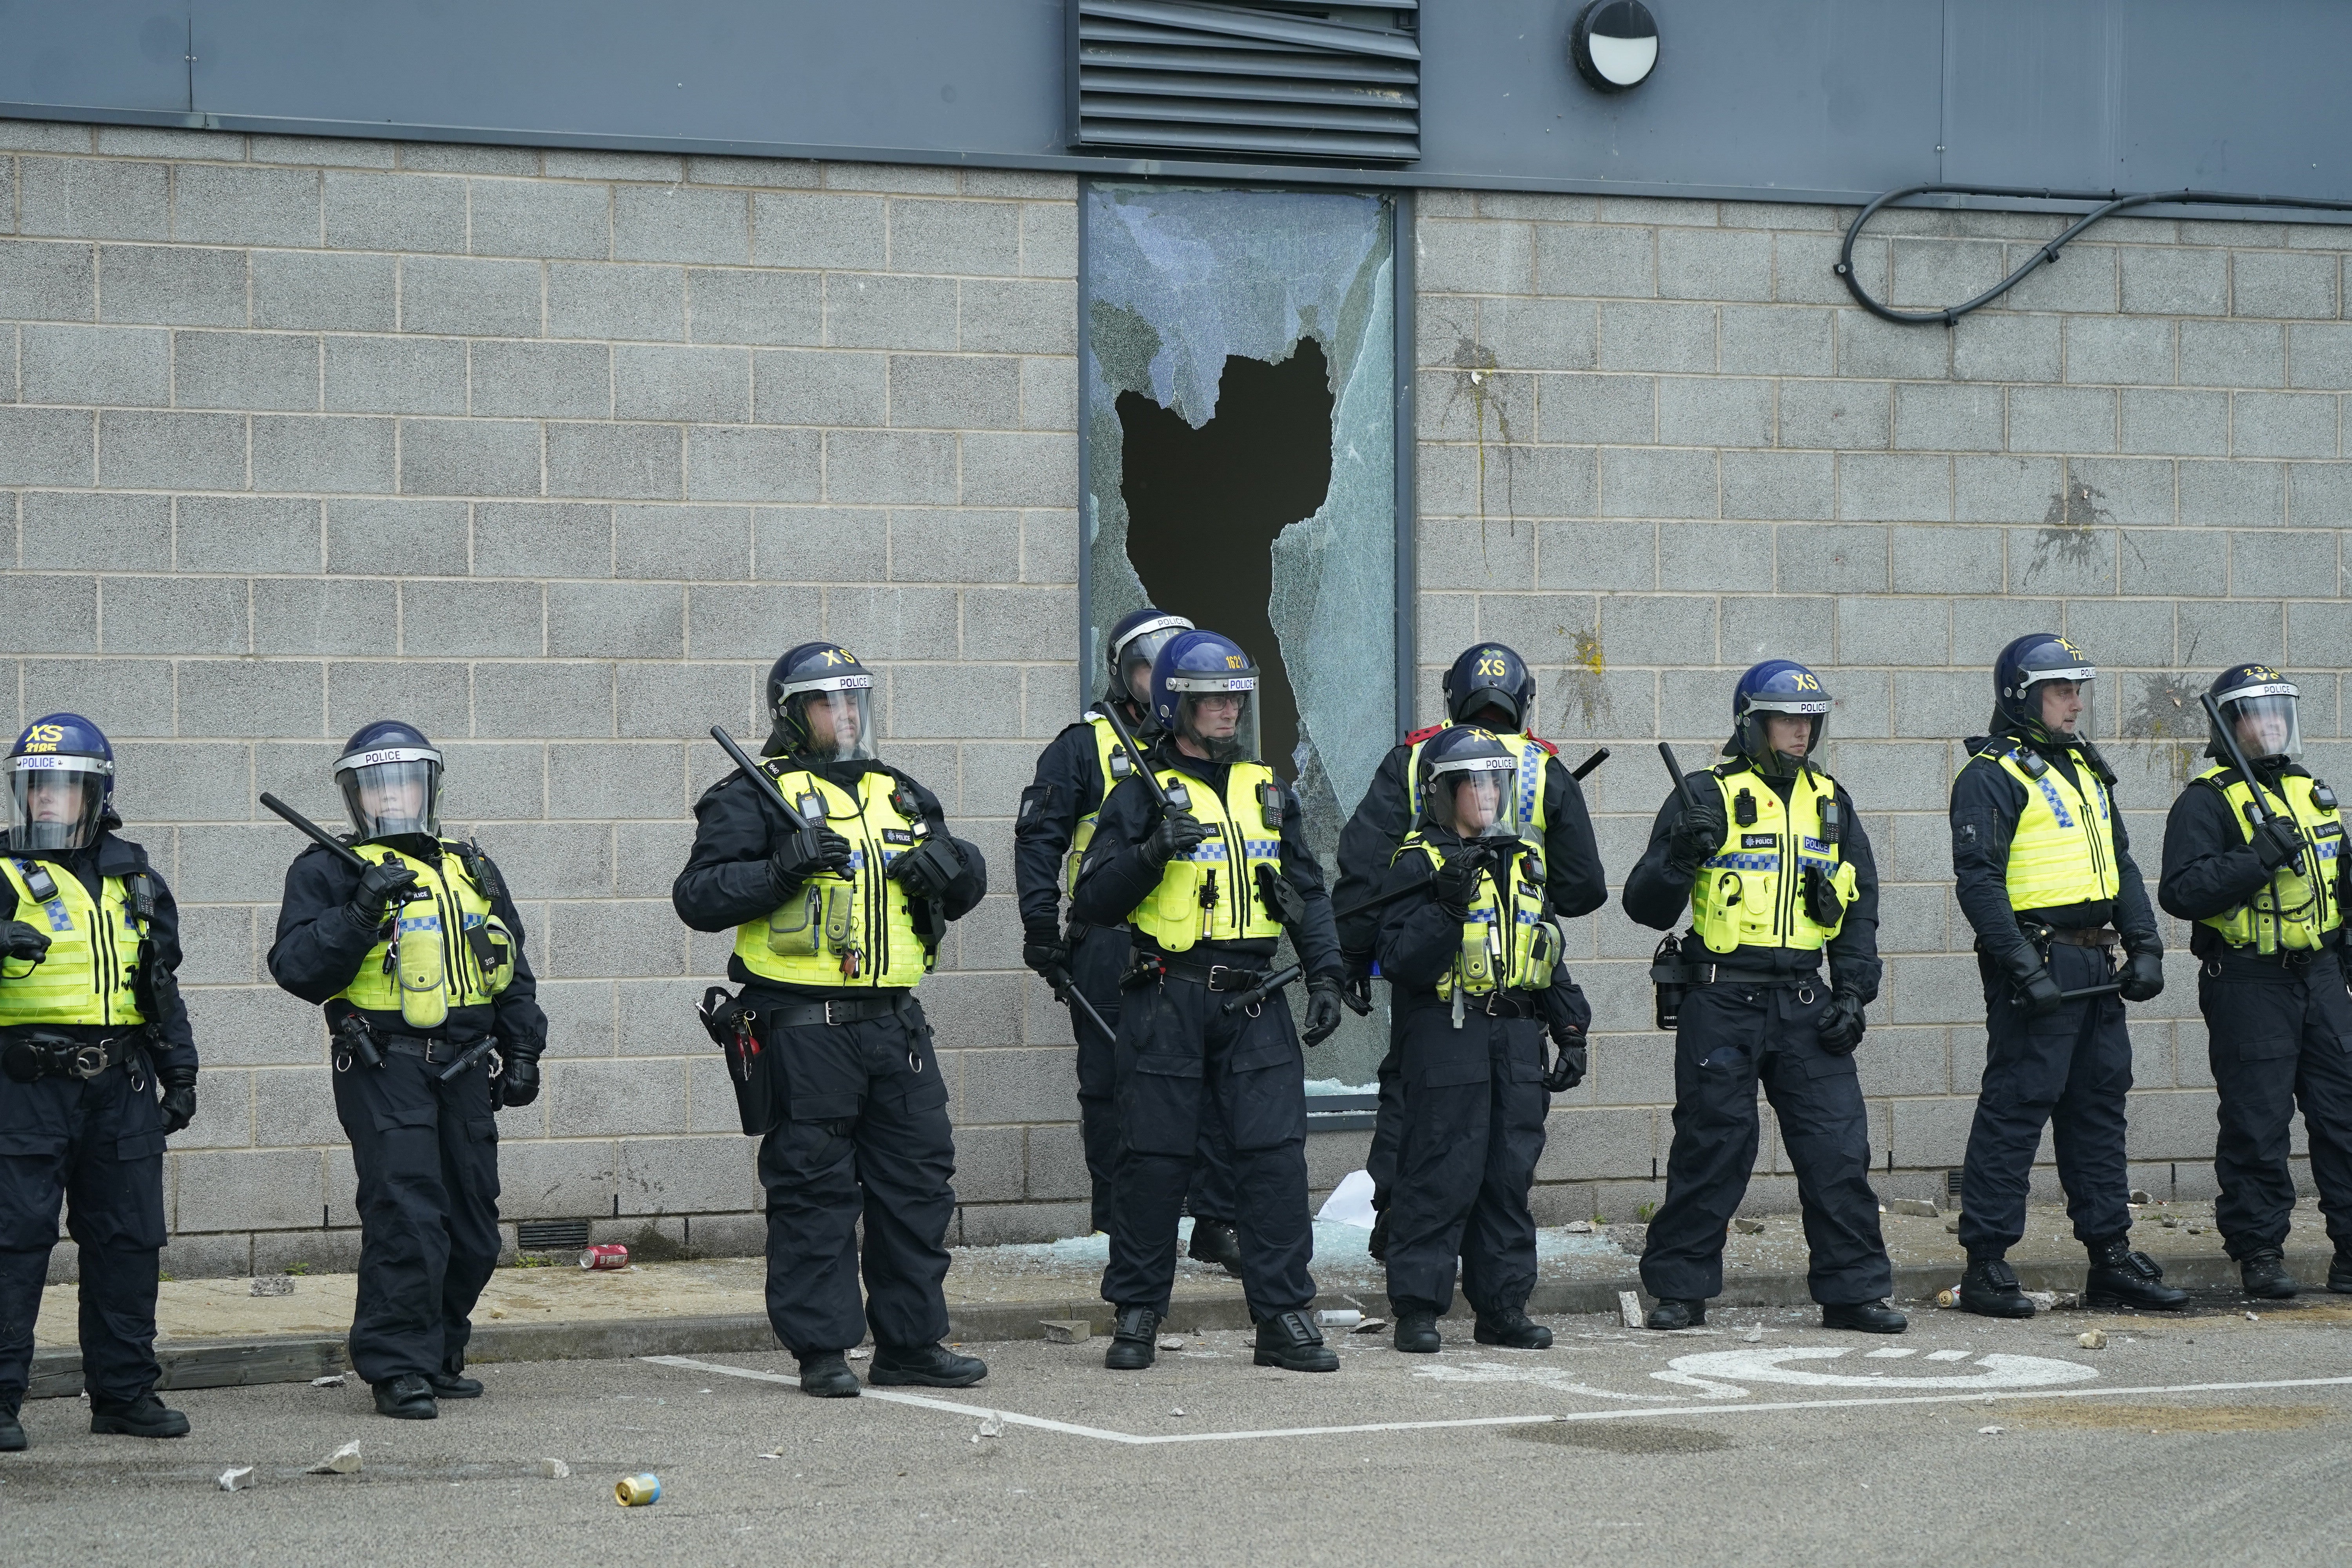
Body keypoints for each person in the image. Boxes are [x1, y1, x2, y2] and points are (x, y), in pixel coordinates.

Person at [673, 644, 989, 1399]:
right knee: (815, 1193)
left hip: (897, 1025)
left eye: (855, 702)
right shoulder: (752, 795)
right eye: (828, 703)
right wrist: (783, 868)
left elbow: (966, 877)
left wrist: (953, 868)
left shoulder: (900, 793)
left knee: (916, 1189)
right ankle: (822, 1351)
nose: (846, 716)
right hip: (801, 1027)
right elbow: (698, 896)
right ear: (793, 714)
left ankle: (912, 1344)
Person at [1071, 630, 1348, 1373]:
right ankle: (1137, 1316)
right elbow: (1091, 901)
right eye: (1212, 699)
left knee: (1274, 1164)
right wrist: (1151, 851)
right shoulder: (1139, 793)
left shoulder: (1268, 791)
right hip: (1168, 996)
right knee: (1152, 1161)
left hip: (1254, 1001)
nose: (1228, 710)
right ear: (1176, 704)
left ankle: (1284, 1317)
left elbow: (1308, 892)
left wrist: (1325, 974)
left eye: (1235, 697)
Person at [267, 722, 548, 1420]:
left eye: (405, 780)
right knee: (407, 1214)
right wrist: (361, 914)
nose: (392, 794)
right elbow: (297, 969)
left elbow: (508, 963)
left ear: (429, 786)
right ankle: (398, 1367)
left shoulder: (471, 865)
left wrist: (522, 1048)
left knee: (475, 1223)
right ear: (355, 795)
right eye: (376, 783)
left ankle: (441, 1349)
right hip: (383, 1062)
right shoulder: (327, 867)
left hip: (466, 1066)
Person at [1623, 661, 1904, 1334]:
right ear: (1752, 724)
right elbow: (1644, 905)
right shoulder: (1703, 794)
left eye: (1809, 720)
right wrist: (1679, 858)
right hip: (1720, 998)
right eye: (1786, 719)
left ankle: (1854, 1292)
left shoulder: (1832, 803)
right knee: (1714, 1145)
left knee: (1838, 1148)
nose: (1800, 732)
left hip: (1808, 1001)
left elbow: (1857, 908)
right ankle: (1680, 1289)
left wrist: (1855, 994)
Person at [1332, 643, 1607, 1257]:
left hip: (1427, 974)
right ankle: (1475, 1261)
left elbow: (1364, 866)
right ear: (1525, 699)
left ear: (1452, 697)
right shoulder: (1544, 768)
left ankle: (1394, 1226)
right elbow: (1585, 889)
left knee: (1411, 1101)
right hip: (1514, 976)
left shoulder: (1412, 759)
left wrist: (1352, 959)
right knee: (1505, 1130)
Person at [1948, 634, 2183, 1316]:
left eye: (2077, 688)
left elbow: (2123, 864)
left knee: (2099, 1112)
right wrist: (2022, 967)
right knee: (2016, 1110)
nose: (2074, 702)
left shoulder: (2082, 768)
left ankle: (2110, 1257)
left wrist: (2145, 945)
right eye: (2060, 689)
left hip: (2095, 962)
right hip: (2039, 960)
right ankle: (1986, 1265)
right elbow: (1980, 882)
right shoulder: (1991, 775)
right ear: (2022, 696)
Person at [1013, 608, 1241, 1270]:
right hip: (1110, 941)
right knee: (1115, 1084)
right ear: (1121, 673)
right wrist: (1041, 926)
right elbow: (1040, 840)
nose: (1158, 679)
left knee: (1213, 1080)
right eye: (1145, 666)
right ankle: (1123, 1227)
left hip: (1198, 945)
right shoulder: (1082, 746)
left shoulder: (1214, 749)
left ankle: (1216, 1219)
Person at [0, 715, 196, 1448]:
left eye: (62, 787)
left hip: (121, 1083)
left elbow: (160, 985)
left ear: (95, 793)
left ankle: (123, 1396)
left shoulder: (135, 880)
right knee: (12, 1242)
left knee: (128, 1241)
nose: (47, 800)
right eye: (34, 787)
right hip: (23, 1085)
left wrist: (180, 1070)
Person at [1370, 726, 1590, 1353]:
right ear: (1443, 792)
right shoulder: (1418, 861)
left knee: (1508, 1178)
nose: (1488, 793)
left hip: (1517, 1036)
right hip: (1447, 1032)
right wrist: (1445, 907)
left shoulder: (1520, 858)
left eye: (1495, 781)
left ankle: (1503, 1308)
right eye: (1475, 782)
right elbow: (1399, 960)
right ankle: (1418, 1309)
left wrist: (1570, 1027)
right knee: (1439, 1172)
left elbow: (1543, 947)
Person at [2158, 664, 2352, 1299]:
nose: (2271, 723)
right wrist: (2258, 856)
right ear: (2229, 725)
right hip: (2250, 980)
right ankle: (2260, 1251)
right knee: (2258, 1122)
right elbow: (2182, 892)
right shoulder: (2206, 800)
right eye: (2256, 713)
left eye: (2278, 712)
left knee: (2342, 1115)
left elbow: (2341, 885)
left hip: (2320, 976)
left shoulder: (2309, 791)